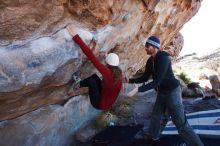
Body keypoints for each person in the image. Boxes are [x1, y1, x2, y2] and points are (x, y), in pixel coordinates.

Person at [126, 36, 204, 146]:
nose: (145, 48)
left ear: (154, 47)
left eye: (147, 46)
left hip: (172, 92)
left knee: (180, 123)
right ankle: (154, 139)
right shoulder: (150, 61)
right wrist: (128, 80)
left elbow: (157, 81)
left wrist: (138, 89)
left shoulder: (163, 58)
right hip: (162, 92)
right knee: (156, 116)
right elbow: (144, 77)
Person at [66, 24, 122, 110]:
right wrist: (107, 57)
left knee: (92, 80)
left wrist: (75, 36)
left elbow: (90, 55)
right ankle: (80, 84)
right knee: (95, 77)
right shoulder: (119, 74)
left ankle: (77, 85)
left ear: (108, 63)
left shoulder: (107, 73)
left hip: (99, 104)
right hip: (107, 102)